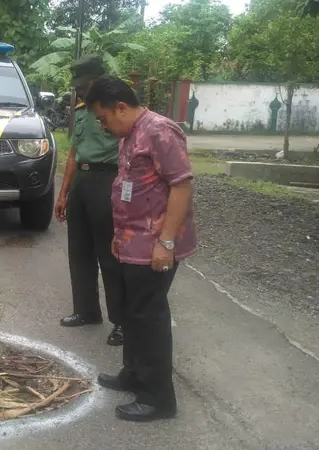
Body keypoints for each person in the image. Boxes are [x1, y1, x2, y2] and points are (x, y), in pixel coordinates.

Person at [84, 74, 197, 422]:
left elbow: (181, 186)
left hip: (153, 247)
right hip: (130, 244)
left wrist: (166, 242)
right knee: (132, 314)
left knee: (150, 319)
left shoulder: (160, 131)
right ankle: (133, 374)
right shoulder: (130, 134)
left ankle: (158, 398)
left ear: (121, 107)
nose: (103, 126)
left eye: (104, 118)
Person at [55, 55, 124, 347]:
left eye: (83, 85)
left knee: (109, 256)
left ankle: (122, 321)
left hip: (107, 180)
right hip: (82, 181)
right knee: (79, 251)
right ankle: (86, 310)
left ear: (96, 80)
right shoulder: (82, 111)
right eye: (78, 87)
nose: (79, 91)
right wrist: (64, 192)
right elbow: (73, 153)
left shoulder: (118, 108)